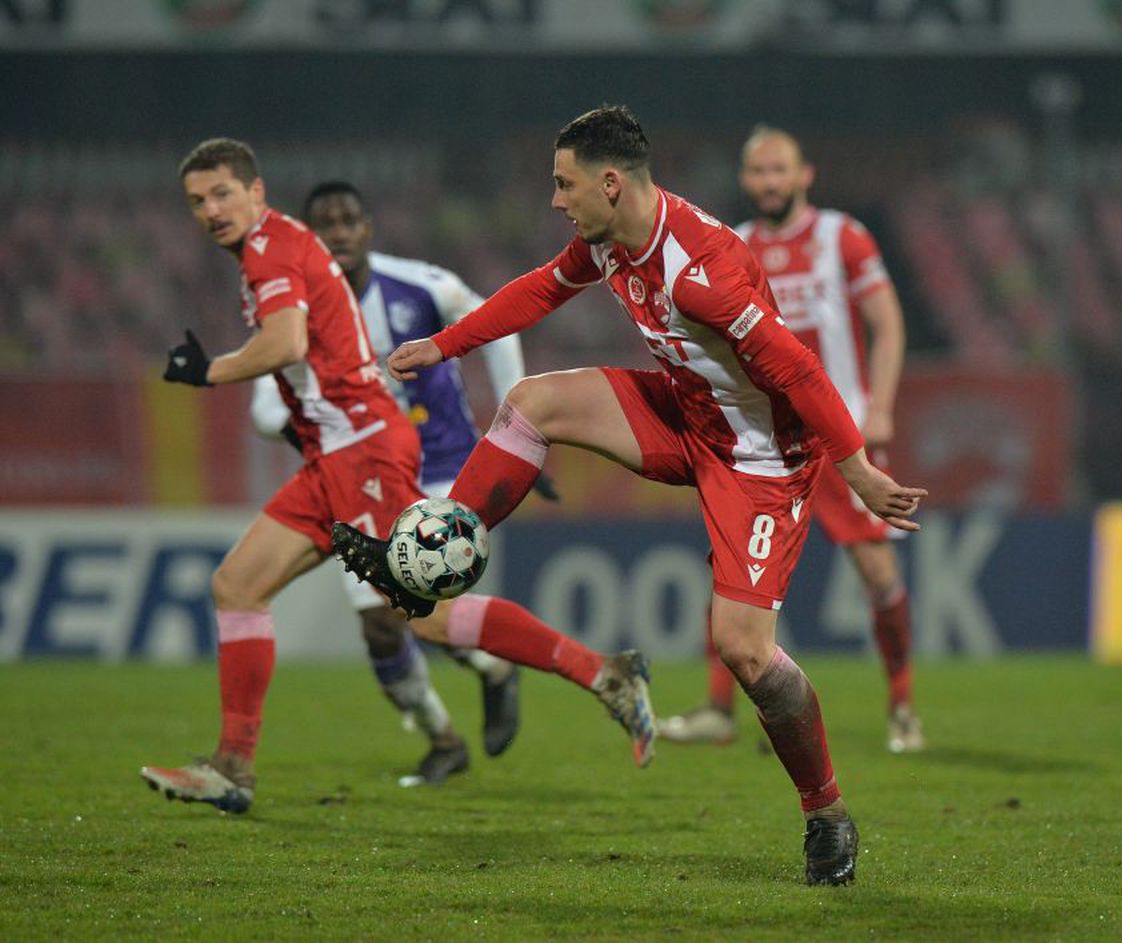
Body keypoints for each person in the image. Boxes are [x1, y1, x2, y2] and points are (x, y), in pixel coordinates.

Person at [332, 106, 926, 886]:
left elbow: (798, 372)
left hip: (760, 458)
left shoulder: (700, 271)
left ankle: (826, 812)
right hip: (684, 410)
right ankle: (437, 552)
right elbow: (539, 291)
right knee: (534, 402)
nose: (556, 200)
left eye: (564, 183)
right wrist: (445, 345)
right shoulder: (611, 238)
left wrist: (858, 470)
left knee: (744, 649)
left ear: (610, 183)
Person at [140, 138, 657, 816]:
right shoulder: (272, 248)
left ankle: (605, 673)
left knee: (427, 620)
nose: (211, 211)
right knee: (236, 585)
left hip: (364, 450)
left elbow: (287, 342)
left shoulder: (271, 249)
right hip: (333, 455)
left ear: (256, 193)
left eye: (222, 194)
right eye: (197, 202)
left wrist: (208, 370)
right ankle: (233, 765)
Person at [249, 179, 559, 786]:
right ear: (309, 235)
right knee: (381, 624)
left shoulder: (421, 285)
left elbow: (500, 326)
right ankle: (451, 727)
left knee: (413, 602)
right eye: (325, 222)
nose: (338, 231)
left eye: (349, 220)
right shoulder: (294, 306)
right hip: (360, 475)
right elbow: (263, 405)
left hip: (442, 463)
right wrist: (307, 423)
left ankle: (500, 679)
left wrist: (514, 420)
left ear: (368, 229)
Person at [660, 127, 925, 754]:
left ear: (805, 173)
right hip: (767, 437)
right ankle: (719, 711)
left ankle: (903, 705)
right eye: (758, 172)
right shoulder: (734, 245)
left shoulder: (844, 236)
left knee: (877, 569)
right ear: (745, 179)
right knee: (731, 569)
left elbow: (887, 324)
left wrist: (881, 407)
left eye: (780, 170)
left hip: (844, 431)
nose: (769, 182)